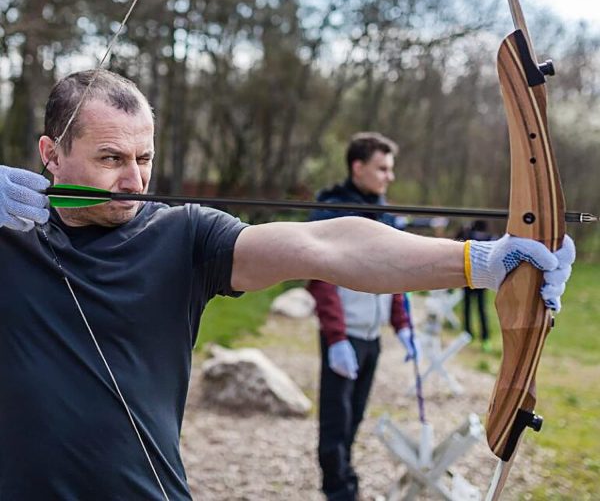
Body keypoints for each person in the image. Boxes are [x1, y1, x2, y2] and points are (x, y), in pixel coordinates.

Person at [0, 70, 575, 501]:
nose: (134, 180)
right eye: (109, 158)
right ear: (52, 154)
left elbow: (327, 245)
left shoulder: (183, 237)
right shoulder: (9, 233)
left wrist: (483, 261)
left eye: (144, 157)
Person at [307, 132, 420, 501]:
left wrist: (401, 325)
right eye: (382, 168)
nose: (389, 176)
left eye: (391, 169)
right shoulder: (331, 210)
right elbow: (321, 280)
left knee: (353, 421)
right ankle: (340, 492)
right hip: (345, 338)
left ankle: (346, 484)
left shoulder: (384, 213)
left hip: (372, 338)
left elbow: (396, 273)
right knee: (335, 426)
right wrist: (337, 338)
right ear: (358, 167)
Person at [459, 220, 494, 351]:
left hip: (467, 278)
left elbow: (457, 241)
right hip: (482, 279)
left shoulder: (468, 235)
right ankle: (485, 338)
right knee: (481, 309)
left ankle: (468, 334)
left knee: (467, 308)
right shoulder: (489, 238)